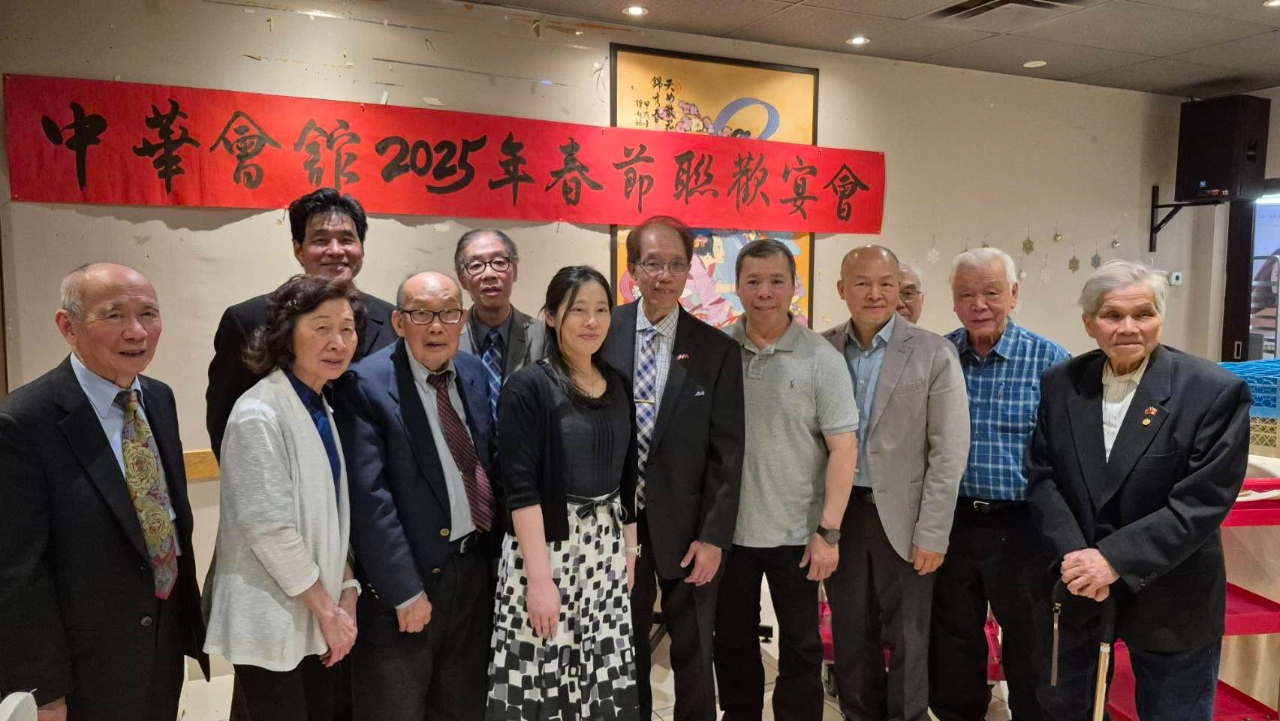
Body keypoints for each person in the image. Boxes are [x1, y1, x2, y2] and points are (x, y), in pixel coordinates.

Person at [1028, 260, 1251, 721]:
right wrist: (1077, 559)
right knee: (1065, 708)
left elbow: (1202, 501)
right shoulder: (1061, 383)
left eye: (1143, 313)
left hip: (1173, 590)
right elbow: (1043, 477)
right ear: (1089, 323)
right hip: (1079, 583)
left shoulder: (1214, 390)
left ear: (1161, 318)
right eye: (1112, 315)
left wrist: (1112, 559)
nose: (1128, 327)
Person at [0, 263, 208, 721]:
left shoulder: (158, 397)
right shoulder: (24, 421)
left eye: (148, 313)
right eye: (114, 315)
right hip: (84, 664)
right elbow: (18, 573)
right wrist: (43, 688)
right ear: (67, 326)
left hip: (163, 637)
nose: (137, 331)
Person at [333, 272, 499, 721]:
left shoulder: (471, 371)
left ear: (463, 319)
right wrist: (404, 591)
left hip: (473, 568)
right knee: (396, 706)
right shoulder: (364, 384)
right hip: (410, 581)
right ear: (399, 322)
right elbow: (370, 500)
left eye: (448, 313)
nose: (437, 326)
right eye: (421, 314)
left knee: (462, 704)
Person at [601, 216, 745, 721]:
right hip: (614, 526)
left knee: (694, 650)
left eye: (676, 264)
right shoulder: (603, 332)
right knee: (623, 648)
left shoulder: (716, 350)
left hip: (688, 530)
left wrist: (713, 538)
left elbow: (728, 454)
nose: (664, 275)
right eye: (652, 263)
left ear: (690, 270)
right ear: (632, 269)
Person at [202, 275, 364, 721]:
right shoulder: (259, 412)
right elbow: (268, 528)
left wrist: (347, 590)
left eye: (347, 329)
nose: (338, 342)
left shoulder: (319, 404)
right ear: (286, 334)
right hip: (271, 614)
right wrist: (329, 611)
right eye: (321, 327)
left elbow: (329, 518)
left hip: (316, 609)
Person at [821, 246, 970, 721]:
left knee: (910, 634)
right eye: (862, 283)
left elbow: (948, 451)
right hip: (840, 515)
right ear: (842, 289)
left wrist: (933, 532)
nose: (876, 293)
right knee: (850, 631)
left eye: (887, 283)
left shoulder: (933, 352)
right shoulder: (822, 349)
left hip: (906, 520)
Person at [715, 239, 860, 721]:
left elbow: (844, 450)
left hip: (799, 537)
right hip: (729, 534)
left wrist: (828, 532)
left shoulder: (822, 359)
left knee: (800, 647)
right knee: (732, 643)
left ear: (794, 286)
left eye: (776, 281)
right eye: (753, 281)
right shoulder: (718, 351)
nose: (765, 292)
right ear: (737, 287)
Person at [486, 266, 641, 720]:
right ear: (552, 317)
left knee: (601, 674)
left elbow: (627, 476)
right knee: (541, 674)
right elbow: (521, 492)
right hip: (545, 552)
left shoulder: (618, 384)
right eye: (578, 310)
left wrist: (630, 554)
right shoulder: (527, 388)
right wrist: (539, 582)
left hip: (605, 552)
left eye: (601, 310)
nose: (592, 321)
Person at [930, 248, 1069, 721]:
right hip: (952, 520)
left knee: (1029, 637)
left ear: (1013, 294)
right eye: (965, 294)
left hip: (1024, 524)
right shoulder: (940, 356)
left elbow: (1069, 450)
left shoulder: (1050, 360)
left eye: (991, 292)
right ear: (953, 301)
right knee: (953, 634)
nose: (979, 305)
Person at [206, 187, 396, 460]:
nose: (335, 250)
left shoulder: (391, 319)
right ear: (299, 250)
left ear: (362, 249)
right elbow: (226, 429)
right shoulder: (249, 320)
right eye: (320, 240)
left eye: (347, 239)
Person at [454, 229, 547, 423]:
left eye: (499, 262)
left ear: (515, 271)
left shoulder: (544, 336)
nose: (489, 274)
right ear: (461, 278)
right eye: (476, 265)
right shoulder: (449, 338)